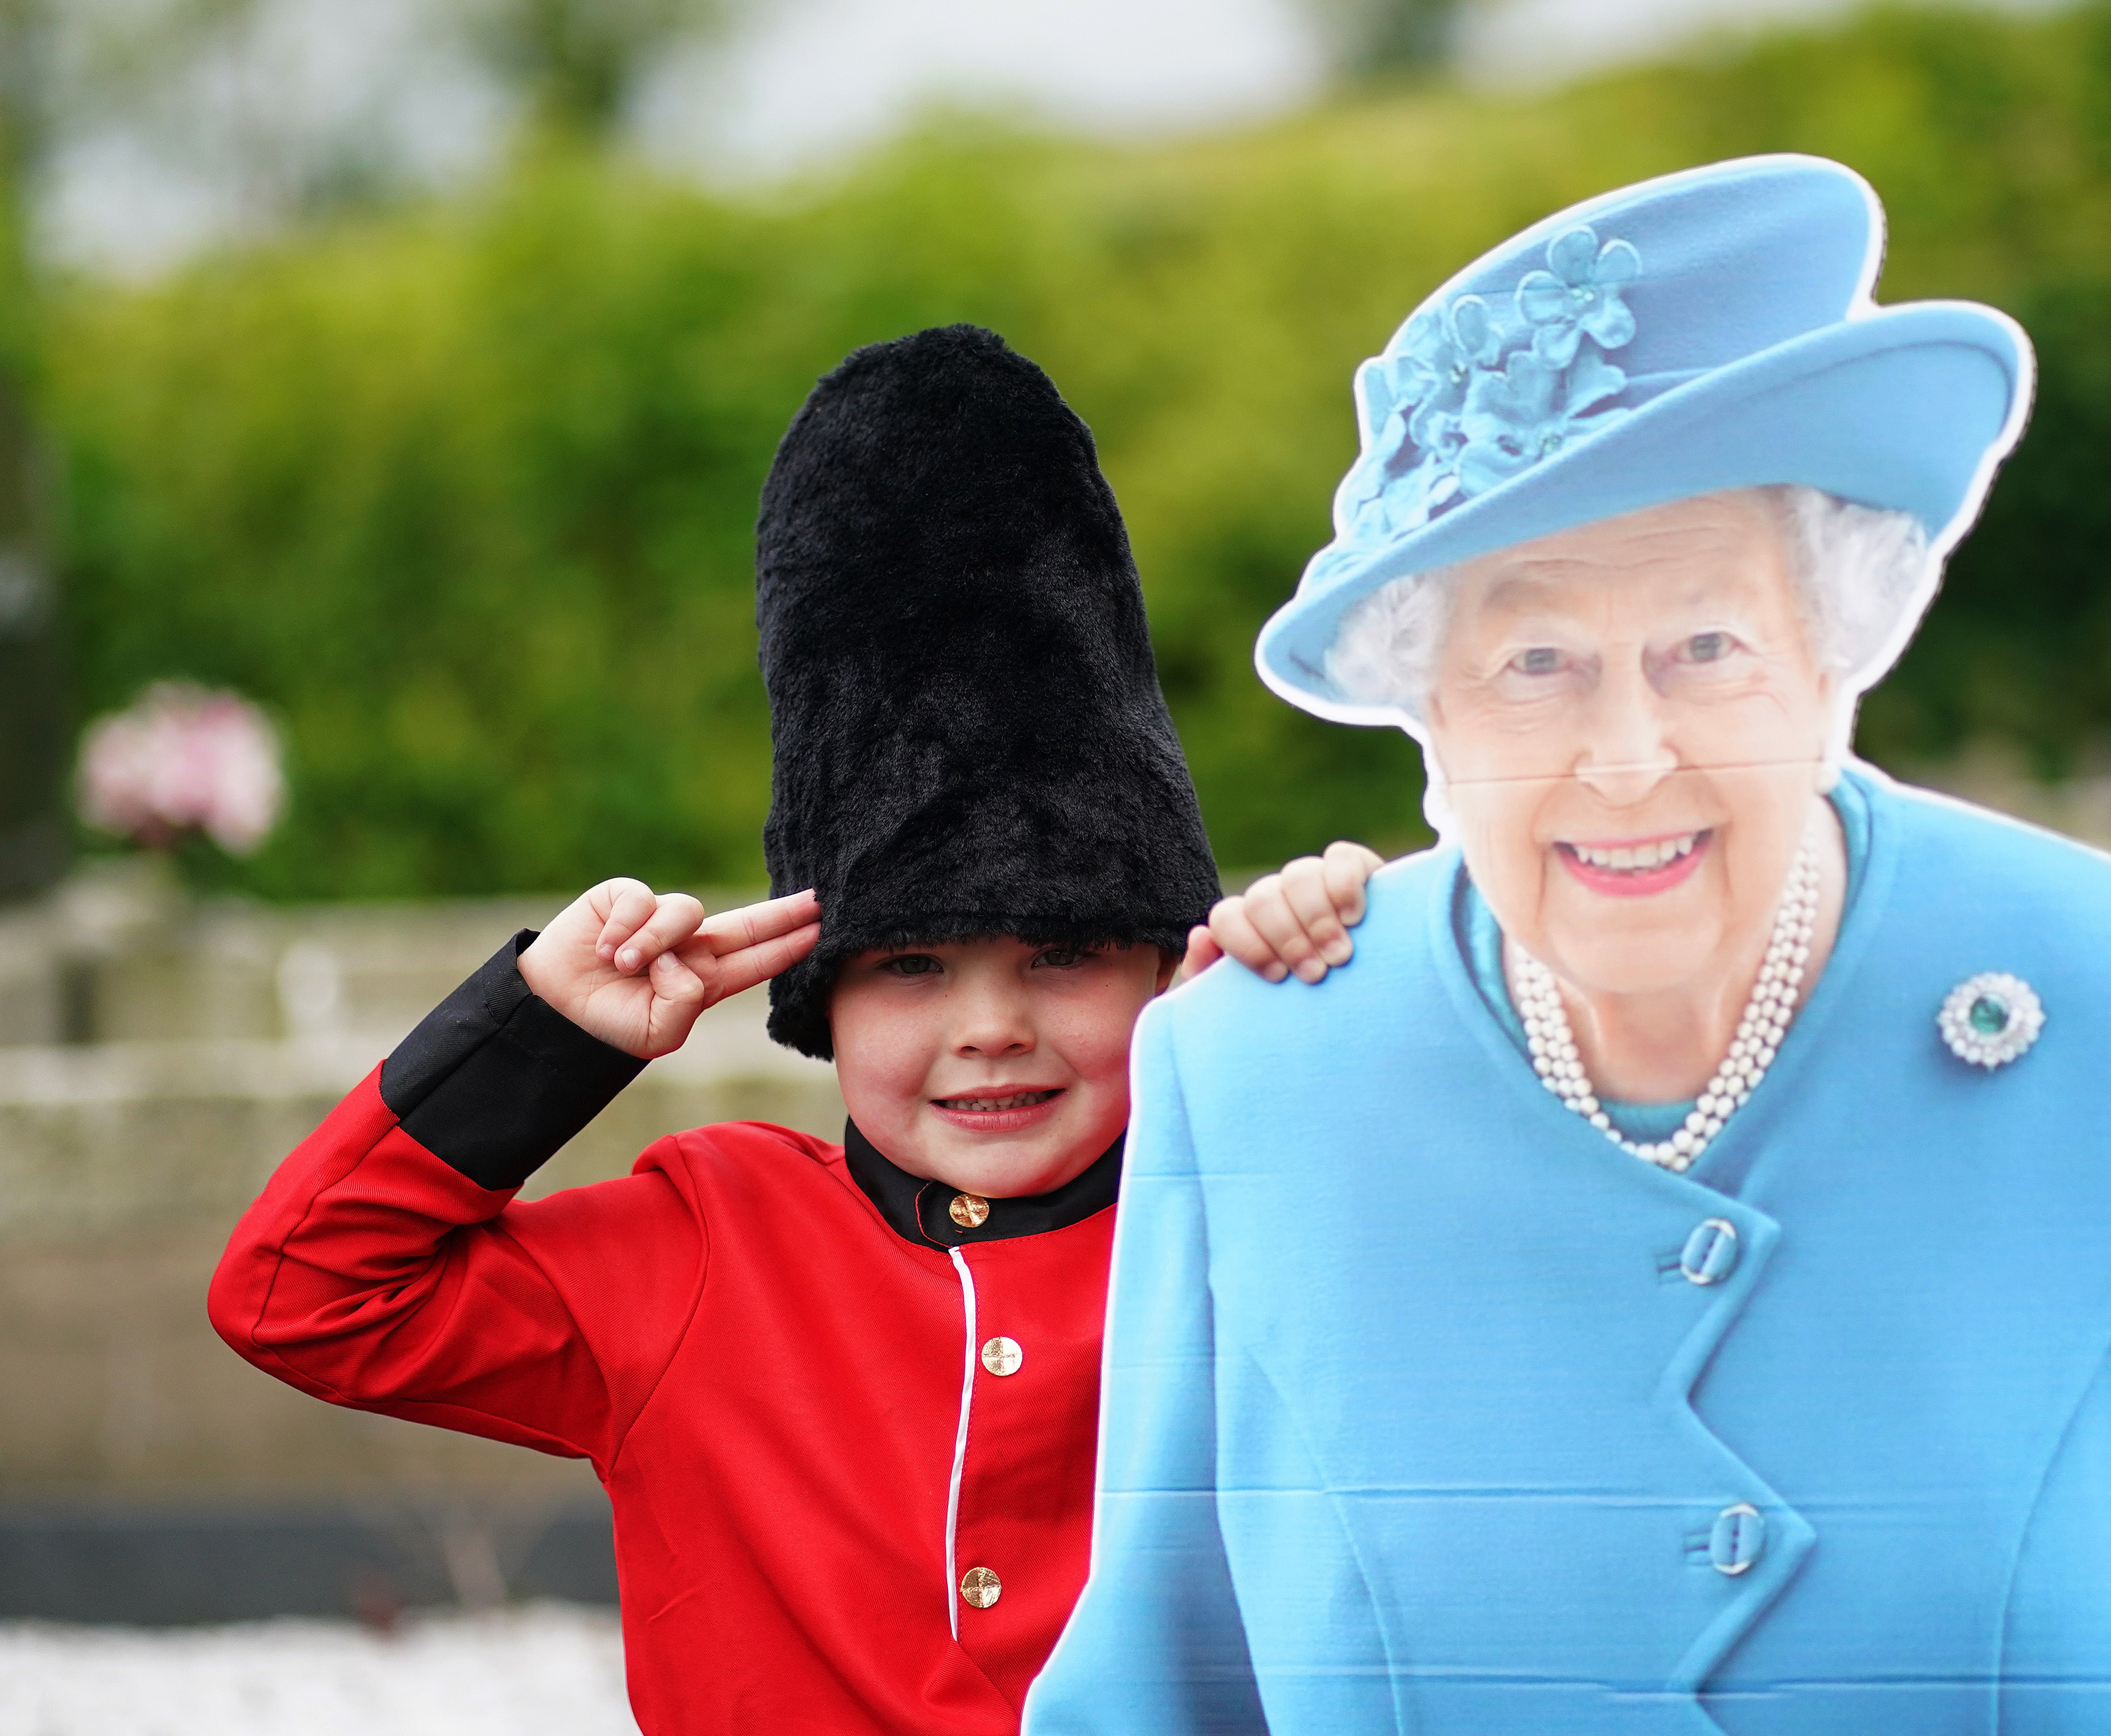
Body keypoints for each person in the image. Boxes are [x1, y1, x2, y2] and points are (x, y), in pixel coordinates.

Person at [1026, 157, 2111, 1733]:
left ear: (1837, 653)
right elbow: (1149, 1695)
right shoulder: (1258, 1069)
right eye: (1535, 658)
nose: (1626, 755)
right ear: (1432, 709)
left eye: (1706, 646)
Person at [208, 326, 1367, 1734]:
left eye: (1063, 955)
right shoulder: (709, 1239)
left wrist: (1342, 1010)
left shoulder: (1262, 1228)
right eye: (917, 966)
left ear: (1166, 969)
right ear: (825, 991)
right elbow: (304, 1298)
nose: (991, 1028)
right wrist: (544, 1037)